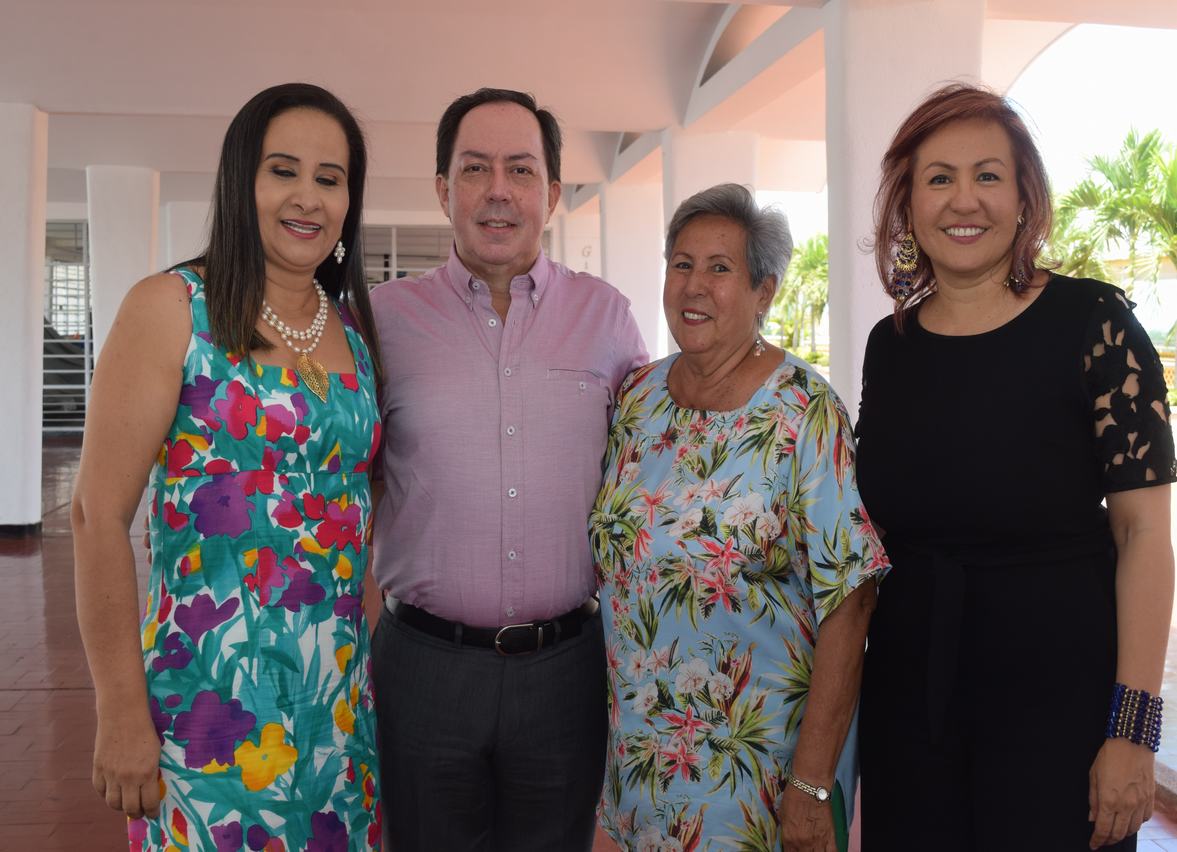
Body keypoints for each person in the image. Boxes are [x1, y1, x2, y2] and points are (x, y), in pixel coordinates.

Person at [855, 83, 1176, 851]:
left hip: (1056, 711)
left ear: (1024, 194)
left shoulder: (1095, 325)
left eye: (987, 175)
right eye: (938, 178)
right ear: (906, 203)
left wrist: (1131, 731)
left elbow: (1143, 540)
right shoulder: (887, 346)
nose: (963, 200)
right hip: (910, 707)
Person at [71, 83, 384, 850]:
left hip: (335, 710)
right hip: (207, 710)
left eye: (330, 178)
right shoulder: (174, 309)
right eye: (283, 170)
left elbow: (356, 517)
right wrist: (119, 710)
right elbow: (96, 514)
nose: (306, 197)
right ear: (241, 181)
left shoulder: (353, 327)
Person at [368, 88, 648, 851]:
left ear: (552, 194)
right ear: (442, 189)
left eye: (520, 170)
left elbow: (652, 466)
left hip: (566, 672)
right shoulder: (381, 321)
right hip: (424, 668)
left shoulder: (608, 317)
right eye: (475, 168)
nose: (498, 190)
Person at [590, 183, 889, 852]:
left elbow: (851, 599)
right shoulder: (637, 398)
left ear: (764, 291)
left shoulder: (803, 412)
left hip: (755, 772)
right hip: (637, 764)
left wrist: (811, 784)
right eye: (681, 263)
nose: (694, 285)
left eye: (719, 268)